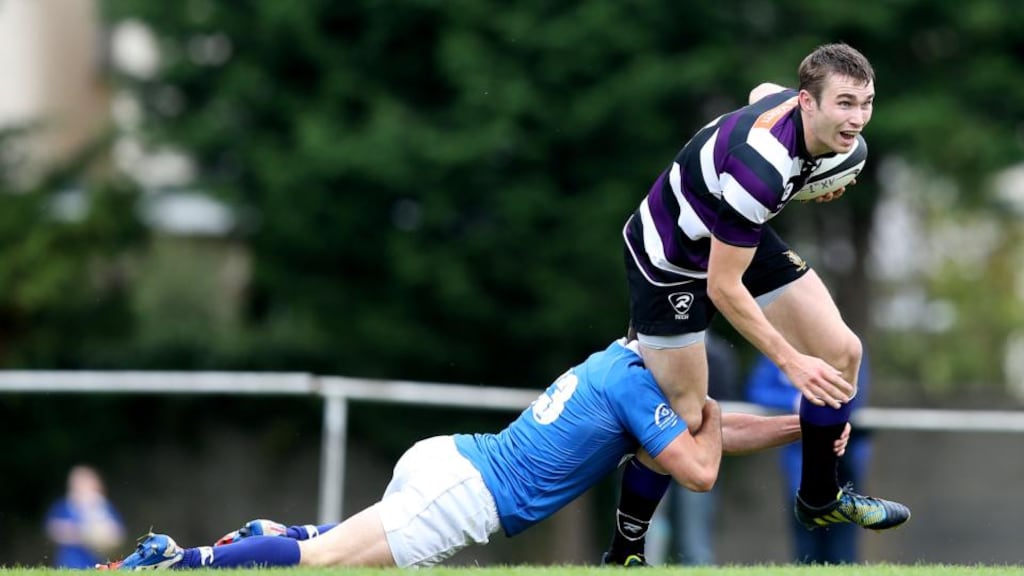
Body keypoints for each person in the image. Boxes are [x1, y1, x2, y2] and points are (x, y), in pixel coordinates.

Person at [97, 338, 849, 570]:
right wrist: (715, 410)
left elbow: (697, 434)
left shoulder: (626, 365)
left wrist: (799, 428)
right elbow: (701, 465)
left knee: (328, 553)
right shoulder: (640, 388)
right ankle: (180, 562)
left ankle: (272, 535)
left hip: (449, 462)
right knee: (325, 570)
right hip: (465, 494)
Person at [601, 42, 908, 566]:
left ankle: (820, 498)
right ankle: (626, 549)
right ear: (808, 104)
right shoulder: (760, 169)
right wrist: (791, 364)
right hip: (670, 260)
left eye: (866, 103)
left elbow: (760, 92)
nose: (858, 119)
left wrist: (814, 179)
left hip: (734, 233)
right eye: (845, 104)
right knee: (686, 418)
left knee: (842, 353)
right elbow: (723, 288)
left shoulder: (792, 106)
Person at [747, 353, 873, 564]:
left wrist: (818, 405)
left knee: (842, 545)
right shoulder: (779, 350)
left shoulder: (844, 345)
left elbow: (854, 394)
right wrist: (795, 401)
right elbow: (757, 390)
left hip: (843, 460)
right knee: (807, 543)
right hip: (799, 461)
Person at [647, 332, 741, 566]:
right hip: (656, 449)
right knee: (648, 521)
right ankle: (642, 564)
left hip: (695, 451)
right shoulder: (654, 348)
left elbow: (723, 404)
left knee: (695, 527)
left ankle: (698, 566)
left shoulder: (718, 355)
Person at [45, 465, 126, 568]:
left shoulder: (103, 507)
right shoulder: (64, 505)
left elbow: (117, 535)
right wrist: (84, 532)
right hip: (68, 564)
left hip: (95, 563)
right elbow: (52, 529)